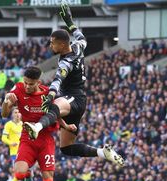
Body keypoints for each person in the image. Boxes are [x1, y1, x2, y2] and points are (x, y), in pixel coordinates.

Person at [23, 3, 124, 167]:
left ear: (62, 45)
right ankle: (102, 153)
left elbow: (58, 79)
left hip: (74, 98)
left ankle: (37, 127)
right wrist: (69, 21)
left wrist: (50, 95)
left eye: (52, 43)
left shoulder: (66, 62)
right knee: (67, 148)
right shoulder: (78, 47)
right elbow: (81, 36)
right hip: (75, 101)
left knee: (52, 105)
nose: (50, 46)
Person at [2, 66, 76, 181]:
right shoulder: (18, 89)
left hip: (45, 140)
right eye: (26, 82)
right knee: (19, 174)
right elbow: (4, 114)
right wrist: (7, 102)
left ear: (38, 82)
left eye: (31, 84)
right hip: (27, 138)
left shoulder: (47, 94)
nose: (27, 86)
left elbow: (55, 113)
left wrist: (65, 125)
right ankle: (28, 174)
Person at [1, 107, 34, 181]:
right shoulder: (9, 125)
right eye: (15, 112)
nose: (17, 114)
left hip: (26, 153)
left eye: (19, 112)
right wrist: (11, 143)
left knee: (29, 174)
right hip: (15, 153)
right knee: (18, 174)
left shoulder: (23, 124)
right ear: (12, 114)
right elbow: (3, 138)